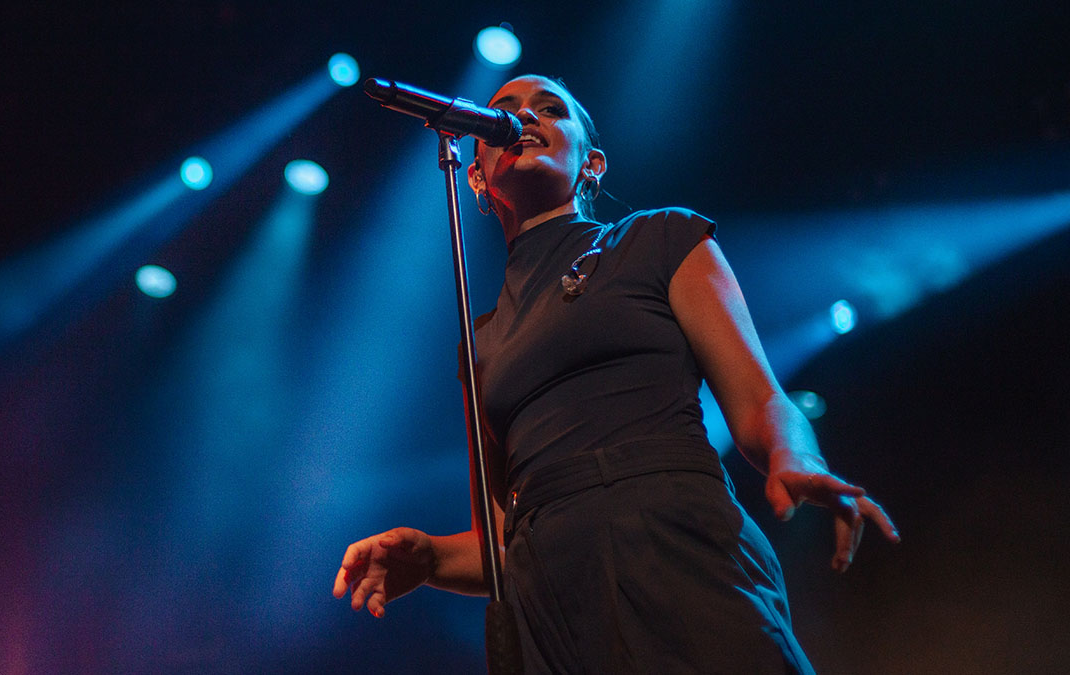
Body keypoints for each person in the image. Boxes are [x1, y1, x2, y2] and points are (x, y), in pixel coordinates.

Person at [333, 74, 899, 673]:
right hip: (549, 596)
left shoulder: (659, 237)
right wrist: (430, 558)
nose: (526, 117)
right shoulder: (481, 340)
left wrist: (798, 457)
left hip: (671, 535)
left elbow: (761, 400)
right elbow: (500, 538)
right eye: (505, 109)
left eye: (551, 110)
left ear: (591, 164)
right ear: (476, 174)